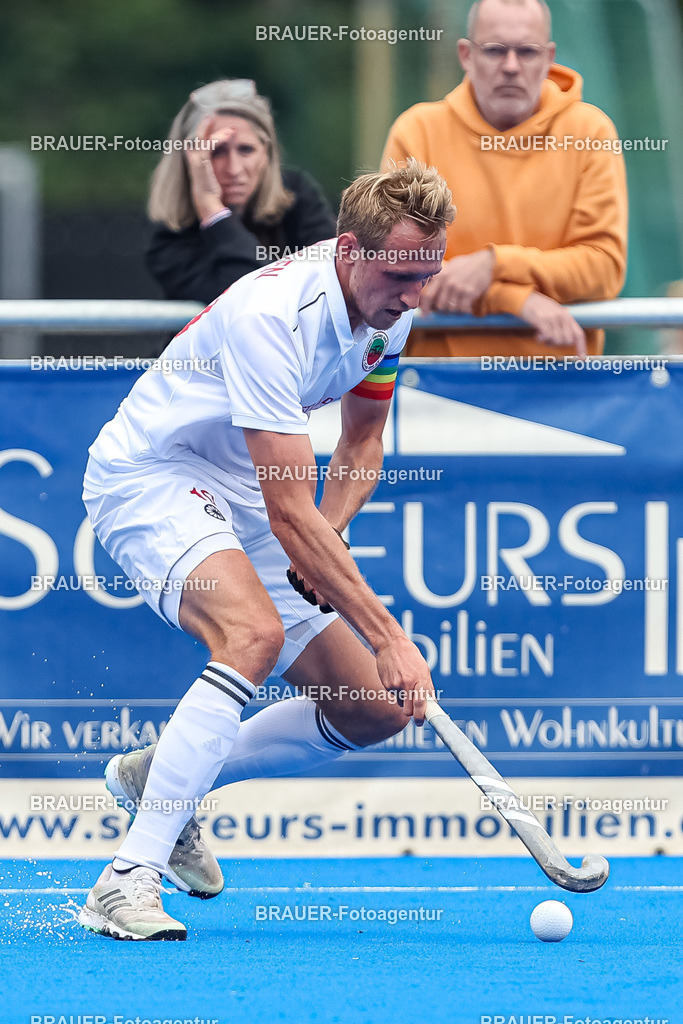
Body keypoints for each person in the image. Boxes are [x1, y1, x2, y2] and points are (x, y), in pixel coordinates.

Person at [78, 159, 453, 941]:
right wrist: (388, 636)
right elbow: (288, 508)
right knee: (251, 633)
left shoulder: (394, 308)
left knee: (372, 708)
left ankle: (160, 777)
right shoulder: (271, 316)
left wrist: (333, 535)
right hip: (149, 475)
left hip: (241, 489)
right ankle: (126, 879)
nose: (412, 295)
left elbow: (360, 444)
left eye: (427, 275)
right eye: (397, 274)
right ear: (348, 250)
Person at [382, 0, 628, 358]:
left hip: (561, 385)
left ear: (549, 58)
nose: (511, 66)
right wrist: (515, 300)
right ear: (466, 55)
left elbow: (604, 268)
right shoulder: (418, 132)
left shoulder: (591, 131)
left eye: (527, 52)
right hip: (437, 387)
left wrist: (495, 265)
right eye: (495, 50)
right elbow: (395, 264)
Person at [146, 78, 337, 304]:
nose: (234, 169)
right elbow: (248, 299)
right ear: (191, 161)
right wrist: (212, 210)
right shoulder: (171, 238)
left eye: (246, 150)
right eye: (216, 151)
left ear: (266, 154)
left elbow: (332, 285)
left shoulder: (298, 199)